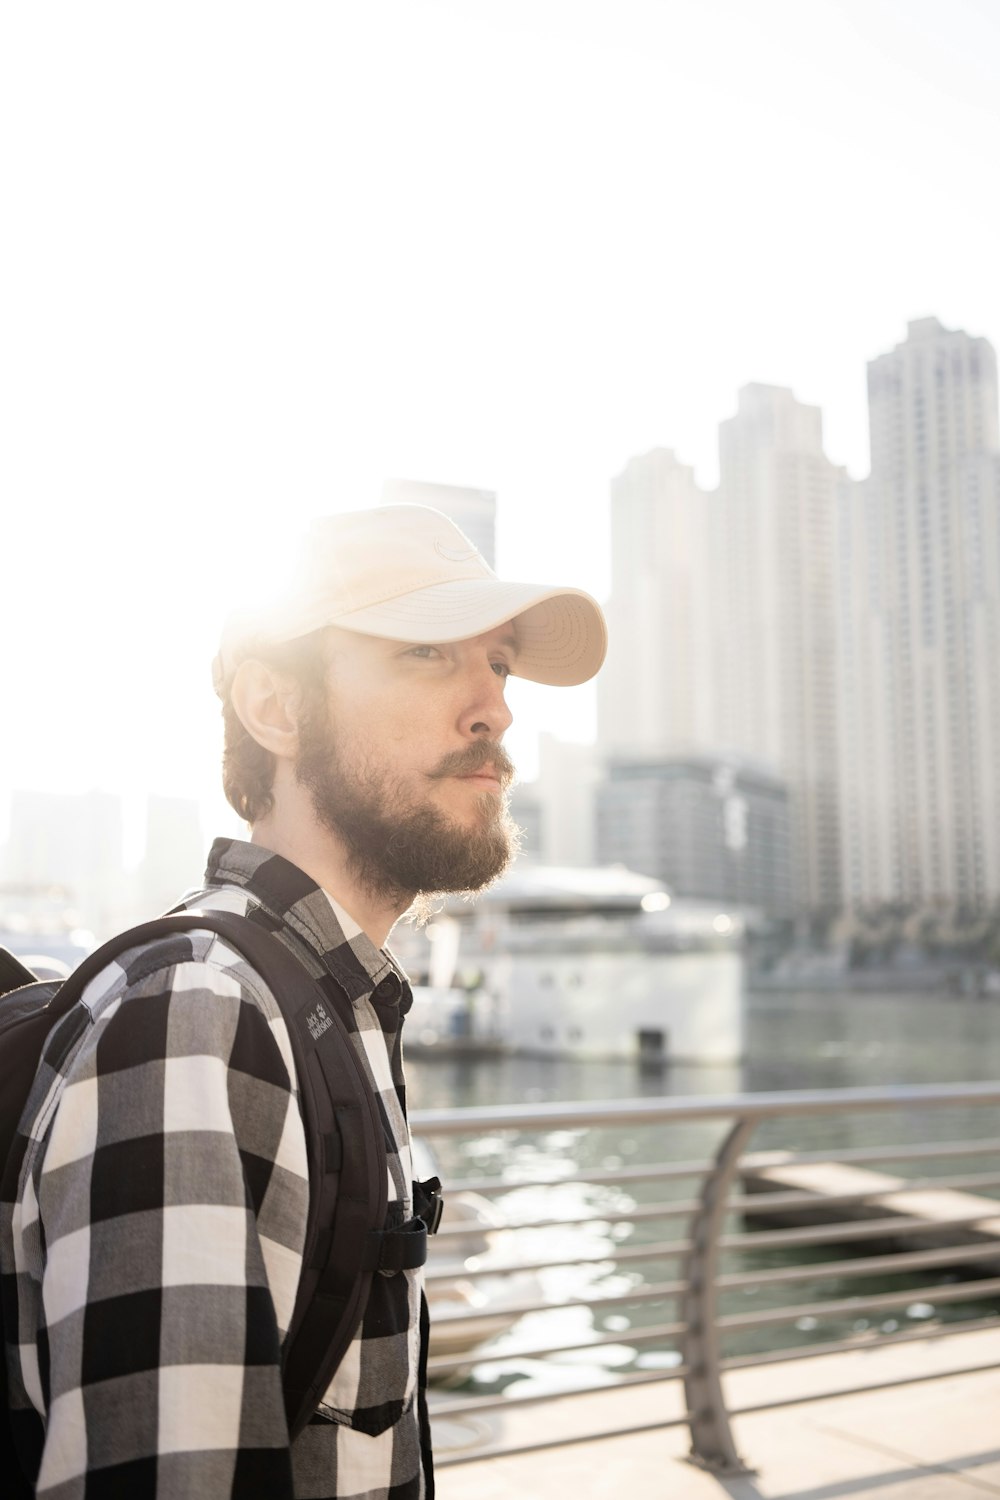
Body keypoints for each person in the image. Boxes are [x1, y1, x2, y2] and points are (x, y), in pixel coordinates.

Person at [4, 504, 607, 1499]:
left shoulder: (325, 1000)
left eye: (497, 664)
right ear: (276, 709)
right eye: (426, 653)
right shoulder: (201, 1012)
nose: (492, 708)